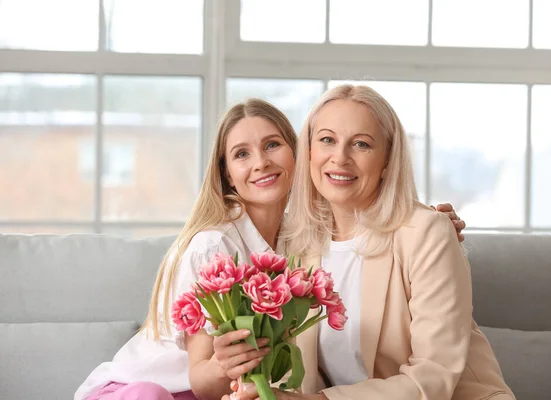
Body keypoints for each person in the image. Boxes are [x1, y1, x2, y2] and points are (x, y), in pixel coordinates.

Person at [74, 98, 465, 400]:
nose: (260, 163)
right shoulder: (215, 245)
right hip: (145, 390)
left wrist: (425, 222)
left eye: (273, 145)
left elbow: (363, 213)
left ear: (299, 153)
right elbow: (202, 380)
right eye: (241, 154)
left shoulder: (304, 239)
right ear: (227, 173)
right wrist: (227, 366)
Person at [226, 85, 514, 400]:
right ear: (309, 150)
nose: (340, 157)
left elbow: (432, 377)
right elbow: (295, 370)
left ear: (388, 159)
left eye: (361, 144)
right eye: (327, 140)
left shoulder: (426, 233)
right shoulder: (297, 245)